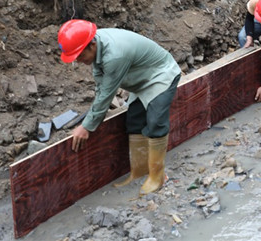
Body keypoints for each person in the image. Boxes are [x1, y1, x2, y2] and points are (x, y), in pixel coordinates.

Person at [57, 19, 181, 195]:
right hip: (141, 80)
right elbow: (101, 87)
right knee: (134, 121)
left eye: (80, 56)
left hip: (160, 75)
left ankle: (157, 177)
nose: (78, 61)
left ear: (91, 45)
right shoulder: (97, 46)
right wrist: (91, 119)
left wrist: (87, 126)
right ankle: (139, 172)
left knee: (155, 123)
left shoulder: (114, 55)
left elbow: (107, 94)